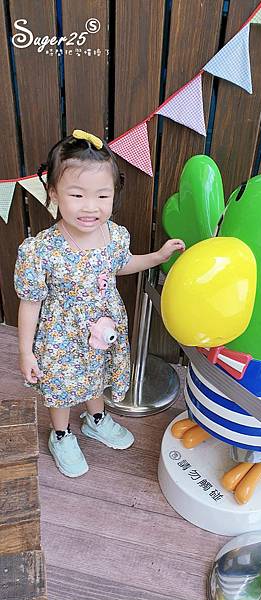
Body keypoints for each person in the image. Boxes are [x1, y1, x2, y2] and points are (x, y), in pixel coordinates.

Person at [14, 129, 185, 478]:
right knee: (62, 388)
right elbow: (30, 302)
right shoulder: (41, 250)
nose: (90, 206)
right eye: (77, 194)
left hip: (104, 329)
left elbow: (122, 264)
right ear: (53, 193)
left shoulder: (115, 235)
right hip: (61, 339)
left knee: (97, 376)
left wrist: (157, 257)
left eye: (102, 195)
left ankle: (96, 418)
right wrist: (25, 351)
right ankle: (61, 434)